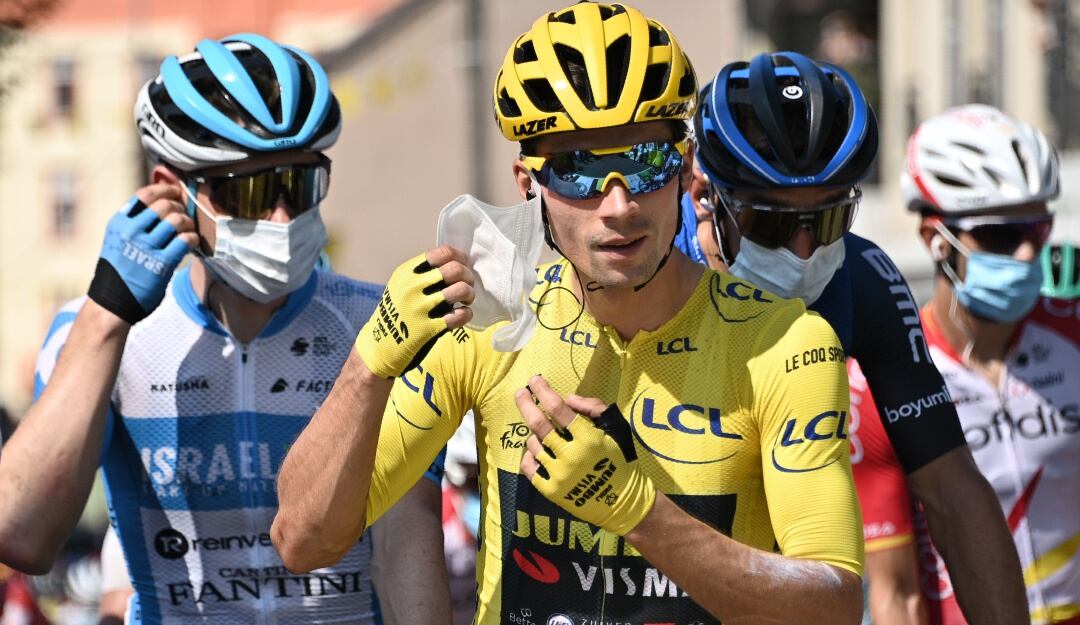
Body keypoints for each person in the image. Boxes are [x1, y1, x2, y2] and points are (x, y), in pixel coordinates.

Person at [272, 3, 865, 624]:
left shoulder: (785, 344)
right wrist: (368, 365)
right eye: (579, 169)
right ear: (528, 183)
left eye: (644, 161)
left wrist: (638, 512)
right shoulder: (488, 327)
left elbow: (833, 607)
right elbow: (304, 542)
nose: (618, 206)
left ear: (685, 167)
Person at [0, 34, 449, 625]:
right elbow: (21, 533)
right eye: (251, 191)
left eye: (299, 184)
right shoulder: (99, 335)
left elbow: (406, 541)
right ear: (172, 190)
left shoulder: (378, 324)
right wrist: (106, 314)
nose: (282, 217)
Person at [676, 53, 1030, 625]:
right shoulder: (658, 263)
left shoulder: (862, 277)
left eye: (828, 220)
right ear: (704, 194)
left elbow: (952, 490)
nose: (803, 251)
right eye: (772, 222)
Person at [850, 104, 1079, 625]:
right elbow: (897, 594)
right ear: (936, 240)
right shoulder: (879, 380)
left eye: (1038, 229)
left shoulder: (1073, 334)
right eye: (1000, 235)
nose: (1027, 254)